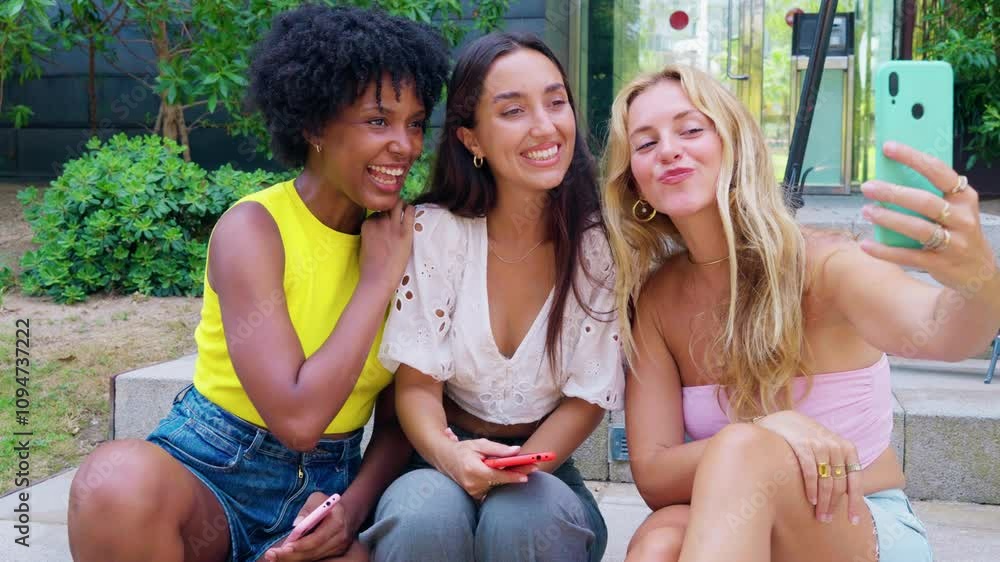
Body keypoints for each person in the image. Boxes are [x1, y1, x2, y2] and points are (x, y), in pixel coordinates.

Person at [67, 6, 449, 562]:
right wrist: (376, 281)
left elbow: (396, 424)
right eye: (377, 121)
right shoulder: (254, 229)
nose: (405, 145)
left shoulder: (407, 240)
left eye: (415, 123)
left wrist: (350, 510)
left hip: (323, 492)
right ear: (314, 124)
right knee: (113, 481)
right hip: (211, 476)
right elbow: (296, 420)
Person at [601, 64, 1000, 562]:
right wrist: (769, 430)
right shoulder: (659, 300)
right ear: (635, 184)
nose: (668, 150)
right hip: (736, 528)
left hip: (861, 526)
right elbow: (656, 477)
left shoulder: (824, 262)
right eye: (644, 143)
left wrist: (976, 277)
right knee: (660, 541)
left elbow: (945, 334)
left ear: (735, 142)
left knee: (741, 452)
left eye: (691, 129)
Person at [359, 32, 625, 562]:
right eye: (513, 111)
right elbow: (415, 385)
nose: (545, 127)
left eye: (556, 102)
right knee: (423, 513)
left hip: (546, 471)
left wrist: (515, 469)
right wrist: (454, 458)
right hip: (435, 454)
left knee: (523, 514)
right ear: (471, 138)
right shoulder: (436, 233)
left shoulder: (601, 247)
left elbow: (586, 400)